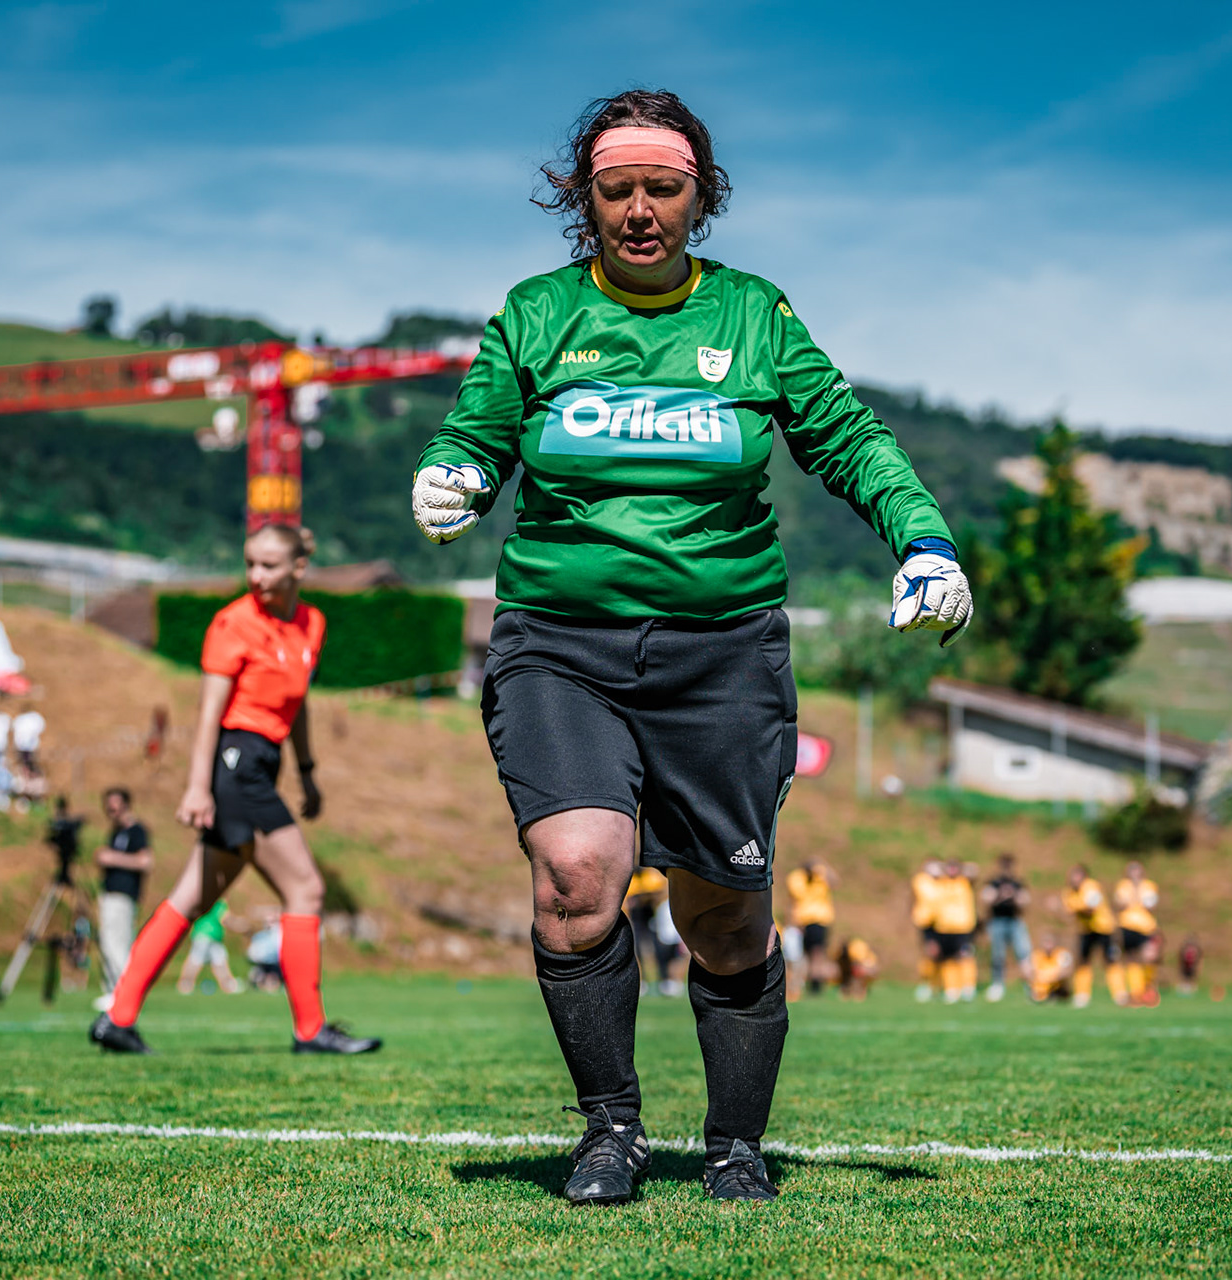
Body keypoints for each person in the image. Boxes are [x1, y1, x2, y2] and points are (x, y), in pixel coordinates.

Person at [410, 89, 972, 1205]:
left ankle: (735, 1142)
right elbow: (476, 427)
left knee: (723, 913)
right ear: (585, 199)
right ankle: (609, 1130)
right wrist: (460, 470)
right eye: (613, 189)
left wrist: (921, 537)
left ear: (698, 195)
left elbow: (849, 439)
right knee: (577, 874)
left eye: (661, 187)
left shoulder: (755, 317)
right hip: (559, 642)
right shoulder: (535, 314)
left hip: (725, 653)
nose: (637, 210)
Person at [90, 523, 380, 1057]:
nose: (256, 576)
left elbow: (297, 705)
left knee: (193, 897)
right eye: (250, 564)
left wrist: (308, 771)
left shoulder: (311, 623)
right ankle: (310, 1029)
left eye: (269, 565)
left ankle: (118, 1018)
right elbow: (209, 715)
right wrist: (197, 787)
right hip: (235, 765)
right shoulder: (232, 623)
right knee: (305, 889)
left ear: (298, 568)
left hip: (263, 765)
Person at [91, 787, 153, 1012]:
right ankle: (112, 990)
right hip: (109, 895)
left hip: (124, 895)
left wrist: (112, 858)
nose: (111, 809)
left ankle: (122, 993)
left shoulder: (137, 831)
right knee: (108, 943)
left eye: (115, 803)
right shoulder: (115, 832)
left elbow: (145, 861)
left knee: (118, 944)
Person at [1061, 865, 1122, 1008]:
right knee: (1083, 961)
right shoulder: (1068, 892)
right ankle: (1082, 994)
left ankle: (1119, 994)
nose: (1074, 879)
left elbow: (1089, 909)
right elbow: (1066, 914)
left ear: (1084, 877)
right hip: (1085, 930)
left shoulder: (1093, 887)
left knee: (1110, 960)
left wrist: (1075, 908)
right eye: (1072, 876)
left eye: (1077, 876)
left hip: (1104, 928)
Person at [923, 860, 980, 1003]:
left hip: (963, 927)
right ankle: (951, 989)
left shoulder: (964, 882)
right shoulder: (940, 883)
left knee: (965, 956)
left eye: (955, 868)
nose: (952, 870)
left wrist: (966, 868)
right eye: (949, 868)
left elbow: (974, 872)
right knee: (947, 959)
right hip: (943, 927)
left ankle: (968, 987)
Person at [983, 854, 1032, 1003]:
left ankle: (1030, 985)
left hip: (1014, 921)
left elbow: (1025, 900)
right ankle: (997, 984)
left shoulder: (1017, 883)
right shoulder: (994, 882)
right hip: (997, 921)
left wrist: (1013, 896)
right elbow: (986, 898)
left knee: (1023, 952)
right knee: (998, 954)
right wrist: (1000, 896)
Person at [784, 858, 837, 996]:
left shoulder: (820, 875)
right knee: (805, 955)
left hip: (819, 919)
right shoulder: (797, 878)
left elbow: (835, 882)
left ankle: (815, 984)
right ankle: (807, 984)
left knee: (816, 953)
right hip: (802, 921)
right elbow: (792, 901)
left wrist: (824, 866)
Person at [1112, 860, 1160, 1008]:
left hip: (1146, 927)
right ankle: (1136, 993)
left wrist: (1137, 895)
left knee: (1149, 957)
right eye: (1132, 870)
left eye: (1137, 870)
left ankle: (1148, 988)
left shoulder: (1149, 886)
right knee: (1131, 958)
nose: (1134, 873)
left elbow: (1151, 905)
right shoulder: (1123, 886)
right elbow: (1119, 904)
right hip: (1127, 926)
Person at [177, 900, 242, 994]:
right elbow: (225, 919)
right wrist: (240, 925)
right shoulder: (219, 903)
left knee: (218, 960)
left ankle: (228, 984)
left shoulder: (202, 900)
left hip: (204, 935)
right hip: (208, 935)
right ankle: (185, 984)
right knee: (197, 960)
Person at [623, 866, 671, 995]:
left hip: (652, 917)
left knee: (659, 948)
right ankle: (641, 980)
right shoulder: (630, 877)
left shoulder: (651, 875)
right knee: (637, 949)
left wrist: (643, 898)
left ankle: (665, 979)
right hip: (636, 919)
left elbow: (660, 893)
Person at [910, 859, 943, 1002]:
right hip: (927, 922)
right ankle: (927, 983)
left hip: (944, 922)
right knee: (930, 953)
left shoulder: (944, 881)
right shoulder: (921, 881)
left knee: (941, 956)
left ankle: (938, 984)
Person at [1028, 932, 1075, 1003]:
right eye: (1046, 942)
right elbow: (1032, 972)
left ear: (1055, 943)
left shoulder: (1062, 954)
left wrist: (1050, 977)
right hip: (1041, 985)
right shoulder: (1037, 955)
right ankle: (1041, 995)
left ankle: (1057, 994)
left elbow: (1067, 971)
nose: (1048, 945)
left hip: (1056, 984)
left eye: (1050, 942)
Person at [836, 936, 878, 1000]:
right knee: (853, 975)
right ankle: (852, 991)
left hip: (866, 963)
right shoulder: (852, 950)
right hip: (862, 963)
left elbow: (861, 964)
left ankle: (860, 992)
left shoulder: (856, 952)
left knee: (858, 974)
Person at [12, 708, 46, 775]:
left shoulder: (23, 719)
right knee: (25, 761)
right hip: (25, 746)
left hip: (28, 746)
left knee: (28, 761)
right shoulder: (32, 718)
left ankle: (29, 773)